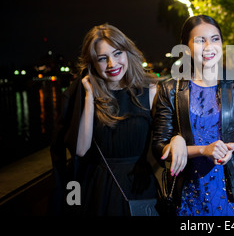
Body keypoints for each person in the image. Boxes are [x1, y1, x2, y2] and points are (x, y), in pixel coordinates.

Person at [49, 23, 186, 215]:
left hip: (140, 186)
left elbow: (167, 133)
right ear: (93, 64)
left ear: (128, 52)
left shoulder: (151, 91)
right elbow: (80, 149)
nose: (112, 64)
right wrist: (89, 96)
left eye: (117, 53)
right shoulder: (85, 96)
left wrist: (177, 138)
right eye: (102, 58)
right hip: (98, 190)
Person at [152, 15, 234, 216]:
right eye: (200, 40)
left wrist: (231, 147)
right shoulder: (170, 88)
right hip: (188, 193)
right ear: (185, 48)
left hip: (233, 193)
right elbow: (158, 147)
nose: (209, 46)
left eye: (215, 39)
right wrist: (185, 144)